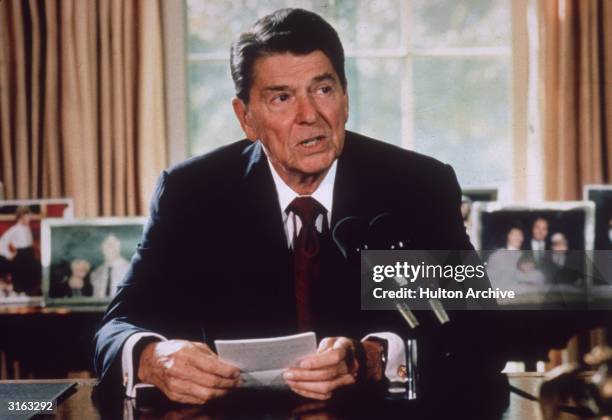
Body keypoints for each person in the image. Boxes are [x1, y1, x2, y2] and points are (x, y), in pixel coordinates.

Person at [93, 8, 506, 408]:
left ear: (345, 98)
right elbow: (116, 328)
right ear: (246, 117)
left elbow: (481, 334)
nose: (309, 116)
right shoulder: (192, 194)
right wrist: (153, 359)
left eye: (323, 90)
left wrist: (375, 359)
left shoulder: (412, 187)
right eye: (281, 98)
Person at [0, 206, 41, 295]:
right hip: (21, 257)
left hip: (30, 255)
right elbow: (2, 242)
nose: (30, 218)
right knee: (20, 279)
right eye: (28, 216)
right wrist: (8, 254)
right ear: (21, 216)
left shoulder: (27, 228)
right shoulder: (14, 229)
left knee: (33, 277)